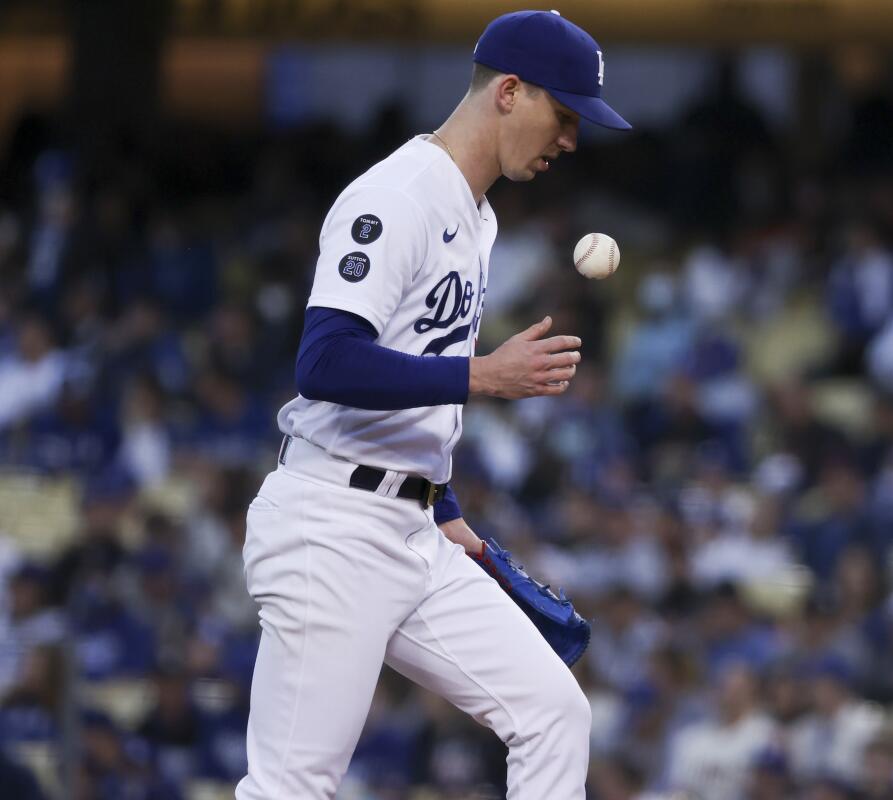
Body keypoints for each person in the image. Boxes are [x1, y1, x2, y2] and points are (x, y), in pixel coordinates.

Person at [235, 11, 630, 799]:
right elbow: (325, 361)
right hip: (331, 527)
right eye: (565, 115)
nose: (571, 141)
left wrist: (441, 499)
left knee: (554, 714)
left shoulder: (475, 215)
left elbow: (414, 360)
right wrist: (482, 376)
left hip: (410, 526)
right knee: (291, 786)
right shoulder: (399, 195)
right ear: (509, 93)